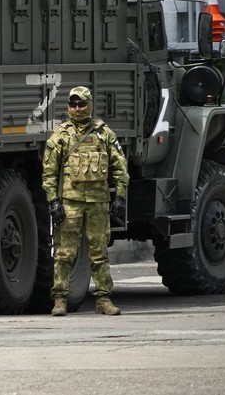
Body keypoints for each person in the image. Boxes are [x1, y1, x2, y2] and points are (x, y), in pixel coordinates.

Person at [41, 86, 129, 316]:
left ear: (89, 104)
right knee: (64, 253)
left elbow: (120, 167)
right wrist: (53, 201)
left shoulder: (104, 134)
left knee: (99, 252)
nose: (77, 108)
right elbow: (49, 173)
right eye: (73, 104)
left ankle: (103, 299)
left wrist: (119, 196)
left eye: (81, 103)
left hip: (98, 202)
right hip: (70, 202)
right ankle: (60, 299)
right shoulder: (61, 135)